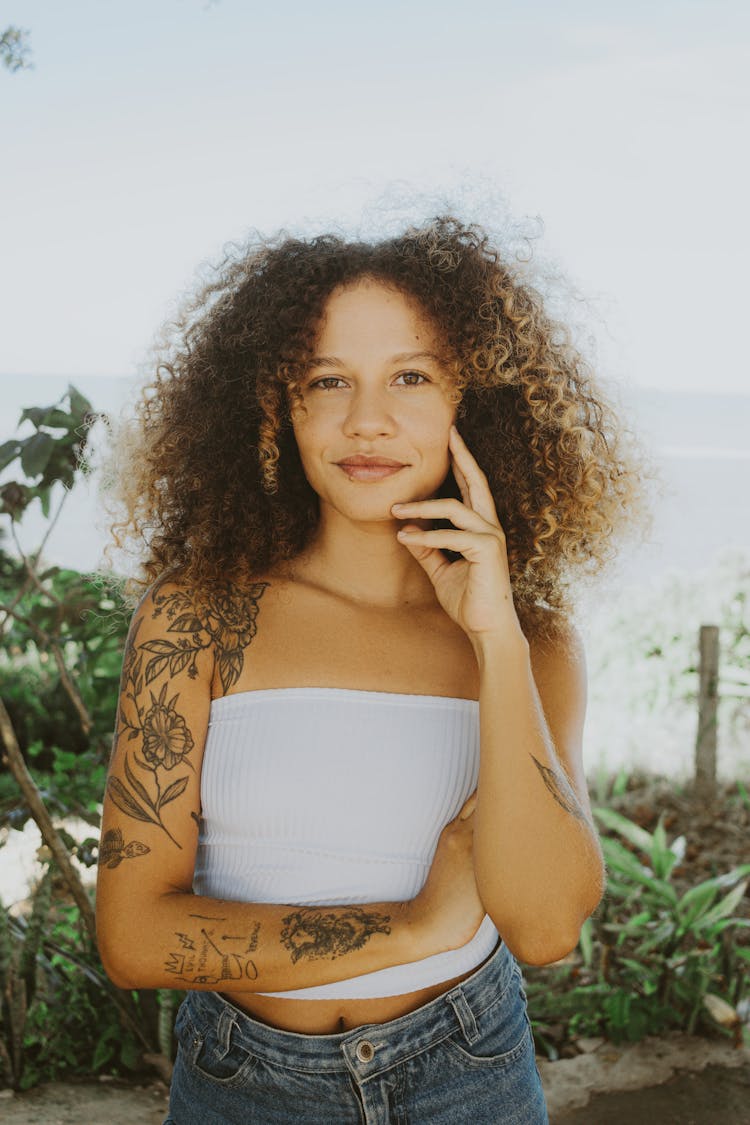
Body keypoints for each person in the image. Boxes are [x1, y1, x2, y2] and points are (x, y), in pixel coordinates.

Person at [96, 215, 643, 1124]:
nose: (368, 421)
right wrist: (419, 926)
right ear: (278, 407)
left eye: (411, 376)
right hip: (243, 1084)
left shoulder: (532, 641)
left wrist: (494, 635)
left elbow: (546, 926)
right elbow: (134, 935)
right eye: (327, 380)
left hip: (468, 1073)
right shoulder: (195, 618)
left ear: (473, 401)